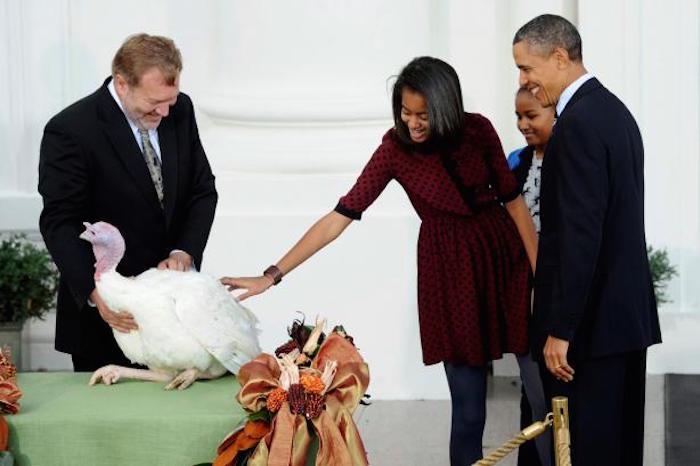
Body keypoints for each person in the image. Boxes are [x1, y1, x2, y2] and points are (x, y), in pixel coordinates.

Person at [222, 56, 538, 466]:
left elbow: (513, 203)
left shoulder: (477, 129)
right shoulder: (394, 150)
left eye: (423, 115)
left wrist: (539, 274)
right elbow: (340, 217)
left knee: (541, 394)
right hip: (450, 275)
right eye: (406, 113)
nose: (413, 124)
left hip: (505, 261)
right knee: (468, 411)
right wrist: (273, 274)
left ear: (447, 108)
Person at [512, 14, 661, 465]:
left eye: (527, 68)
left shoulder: (575, 125)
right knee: (619, 449)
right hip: (623, 323)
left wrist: (561, 329)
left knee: (586, 452)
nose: (524, 81)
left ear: (560, 57)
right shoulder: (614, 111)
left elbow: (580, 236)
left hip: (589, 336)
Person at [39, 33, 218, 372]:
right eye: (155, 101)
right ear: (122, 83)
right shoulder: (70, 130)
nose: (166, 111)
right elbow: (60, 222)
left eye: (172, 98)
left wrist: (183, 251)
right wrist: (96, 293)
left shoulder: (180, 110)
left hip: (175, 320)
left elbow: (202, 191)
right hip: (110, 321)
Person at [508, 87, 556, 466]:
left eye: (532, 116)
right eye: (518, 117)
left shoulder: (570, 160)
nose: (524, 125)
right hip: (522, 284)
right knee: (533, 389)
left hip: (558, 283)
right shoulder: (516, 162)